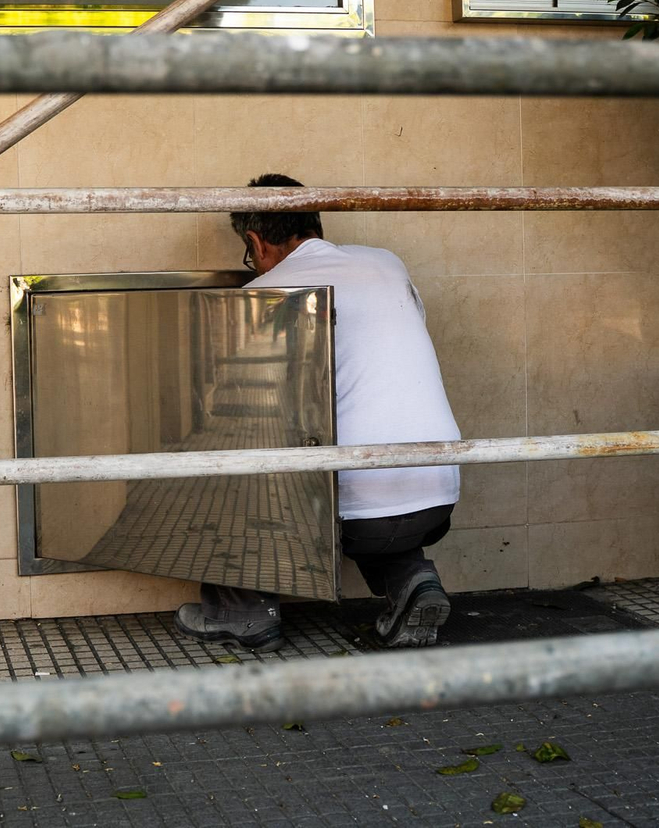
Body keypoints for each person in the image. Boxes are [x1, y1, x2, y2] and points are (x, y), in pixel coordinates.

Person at [173, 173, 462, 651]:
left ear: (255, 241)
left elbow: (237, 407)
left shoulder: (267, 292)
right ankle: (413, 580)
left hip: (351, 514)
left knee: (221, 453)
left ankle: (242, 612)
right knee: (368, 471)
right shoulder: (385, 263)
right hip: (436, 493)